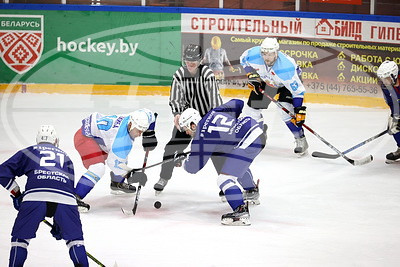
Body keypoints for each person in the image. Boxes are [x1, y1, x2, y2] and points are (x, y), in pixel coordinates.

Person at [0, 125, 89, 266]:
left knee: (20, 240)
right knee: (75, 241)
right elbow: (68, 190)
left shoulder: (29, 151)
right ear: (55, 141)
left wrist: (17, 194)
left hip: (35, 197)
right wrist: (60, 221)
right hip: (66, 199)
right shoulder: (66, 157)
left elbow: (2, 173)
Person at [178, 99, 266, 226]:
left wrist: (183, 162)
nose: (187, 132)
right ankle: (251, 191)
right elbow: (238, 103)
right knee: (232, 161)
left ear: (193, 125)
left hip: (248, 140)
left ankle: (240, 211)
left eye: (186, 129)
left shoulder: (200, 137)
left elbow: (193, 167)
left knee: (224, 179)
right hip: (254, 129)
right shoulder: (213, 112)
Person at [153, 44, 223, 194]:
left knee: (217, 152)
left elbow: (215, 100)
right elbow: (175, 98)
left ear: (201, 59)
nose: (190, 64)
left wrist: (214, 120)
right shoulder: (179, 74)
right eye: (187, 60)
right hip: (186, 120)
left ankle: (226, 183)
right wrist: (177, 113)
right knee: (171, 148)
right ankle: (164, 177)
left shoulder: (207, 74)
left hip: (206, 119)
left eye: (194, 61)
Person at [74, 108, 157, 212]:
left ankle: (117, 183)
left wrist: (150, 133)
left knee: (122, 157)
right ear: (131, 125)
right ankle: (74, 198)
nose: (140, 134)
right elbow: (114, 164)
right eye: (139, 131)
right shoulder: (121, 141)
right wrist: (131, 176)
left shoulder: (139, 117)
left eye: (143, 131)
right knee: (98, 167)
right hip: (84, 138)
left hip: (98, 137)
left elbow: (151, 115)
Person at [240, 37, 308, 156]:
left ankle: (300, 139)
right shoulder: (254, 54)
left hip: (286, 85)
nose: (266, 57)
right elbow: (243, 59)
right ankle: (258, 135)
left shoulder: (286, 68)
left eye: (270, 54)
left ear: (276, 53)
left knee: (285, 111)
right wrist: (252, 74)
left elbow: (298, 91)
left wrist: (298, 110)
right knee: (252, 109)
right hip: (268, 82)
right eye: (264, 54)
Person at [377, 60, 400, 163]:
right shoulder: (385, 87)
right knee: (395, 126)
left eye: (386, 78)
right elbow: (392, 103)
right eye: (382, 79)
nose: (384, 81)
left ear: (394, 75)